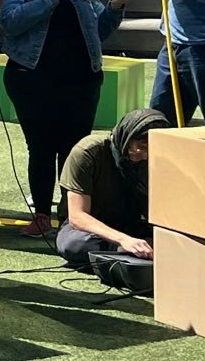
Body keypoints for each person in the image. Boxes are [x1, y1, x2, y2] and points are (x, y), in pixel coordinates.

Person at [0, 0, 132, 237]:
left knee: (74, 150)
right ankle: (42, 214)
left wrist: (115, 6)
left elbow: (100, 31)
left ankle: (71, 216)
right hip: (32, 82)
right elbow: (12, 23)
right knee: (41, 149)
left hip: (81, 84)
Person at [57, 108, 169, 268]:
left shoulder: (155, 159)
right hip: (92, 229)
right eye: (141, 147)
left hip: (133, 225)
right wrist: (124, 241)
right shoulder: (88, 152)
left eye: (151, 148)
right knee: (73, 244)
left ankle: (131, 253)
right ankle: (124, 252)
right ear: (127, 137)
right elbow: (77, 216)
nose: (145, 155)